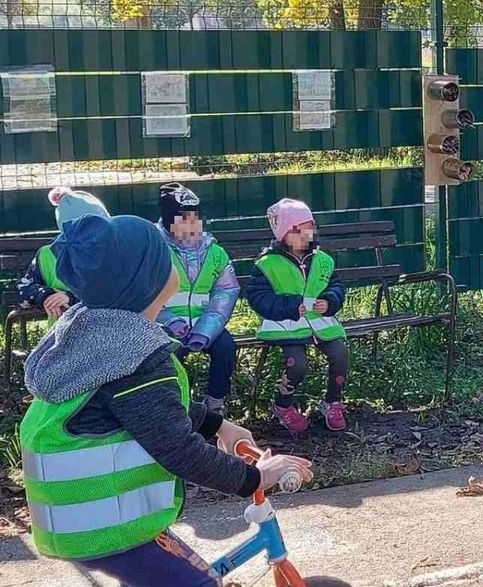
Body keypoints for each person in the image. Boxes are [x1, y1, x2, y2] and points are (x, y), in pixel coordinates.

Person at [19, 213, 312, 586]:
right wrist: (255, 477)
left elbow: (144, 408)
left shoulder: (94, 333)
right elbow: (178, 449)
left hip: (84, 519)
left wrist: (217, 424)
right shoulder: (136, 357)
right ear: (149, 279)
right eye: (164, 257)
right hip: (110, 528)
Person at [244, 198, 349, 433]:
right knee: (297, 364)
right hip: (286, 326)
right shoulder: (267, 264)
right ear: (283, 235)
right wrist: (289, 306)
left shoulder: (323, 261)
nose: (305, 235)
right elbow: (257, 297)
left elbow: (337, 287)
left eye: (309, 228)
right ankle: (283, 405)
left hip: (321, 324)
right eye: (297, 231)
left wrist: (330, 301)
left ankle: (332, 401)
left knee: (340, 354)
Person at [155, 182, 241, 416]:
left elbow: (226, 291)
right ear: (169, 221)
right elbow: (145, 295)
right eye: (184, 218)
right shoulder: (155, 250)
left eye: (195, 217)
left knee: (225, 347)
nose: (192, 224)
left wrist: (207, 329)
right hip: (165, 325)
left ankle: (214, 405)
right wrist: (170, 321)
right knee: (171, 355)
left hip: (206, 323)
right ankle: (177, 409)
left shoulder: (215, 252)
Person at [16, 187, 109, 323]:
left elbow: (117, 291)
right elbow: (22, 289)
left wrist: (72, 298)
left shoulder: (113, 251)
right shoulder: (46, 255)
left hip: (108, 332)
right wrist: (46, 296)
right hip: (61, 335)